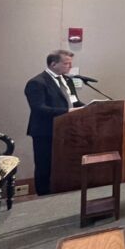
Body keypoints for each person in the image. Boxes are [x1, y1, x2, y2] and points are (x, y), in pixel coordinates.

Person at [24, 49, 84, 195]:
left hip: (66, 130)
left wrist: (89, 107)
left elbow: (74, 101)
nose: (70, 66)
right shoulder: (36, 82)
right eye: (66, 63)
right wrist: (68, 111)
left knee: (65, 164)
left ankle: (63, 193)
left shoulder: (67, 80)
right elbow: (39, 108)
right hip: (45, 131)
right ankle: (44, 197)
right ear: (53, 64)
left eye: (70, 63)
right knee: (45, 166)